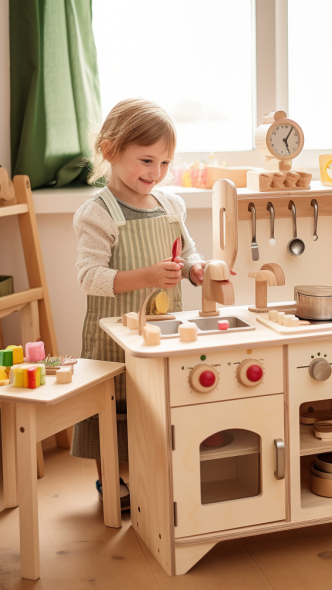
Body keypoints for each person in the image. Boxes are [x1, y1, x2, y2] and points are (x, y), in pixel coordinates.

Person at [71, 98, 206, 508]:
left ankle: (160, 475)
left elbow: (187, 251)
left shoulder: (172, 205)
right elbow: (89, 277)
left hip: (164, 332)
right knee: (113, 412)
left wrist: (195, 268)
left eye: (165, 163)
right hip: (114, 336)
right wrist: (146, 276)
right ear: (110, 150)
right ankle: (111, 482)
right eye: (146, 161)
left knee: (159, 407)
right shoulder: (97, 213)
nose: (156, 173)